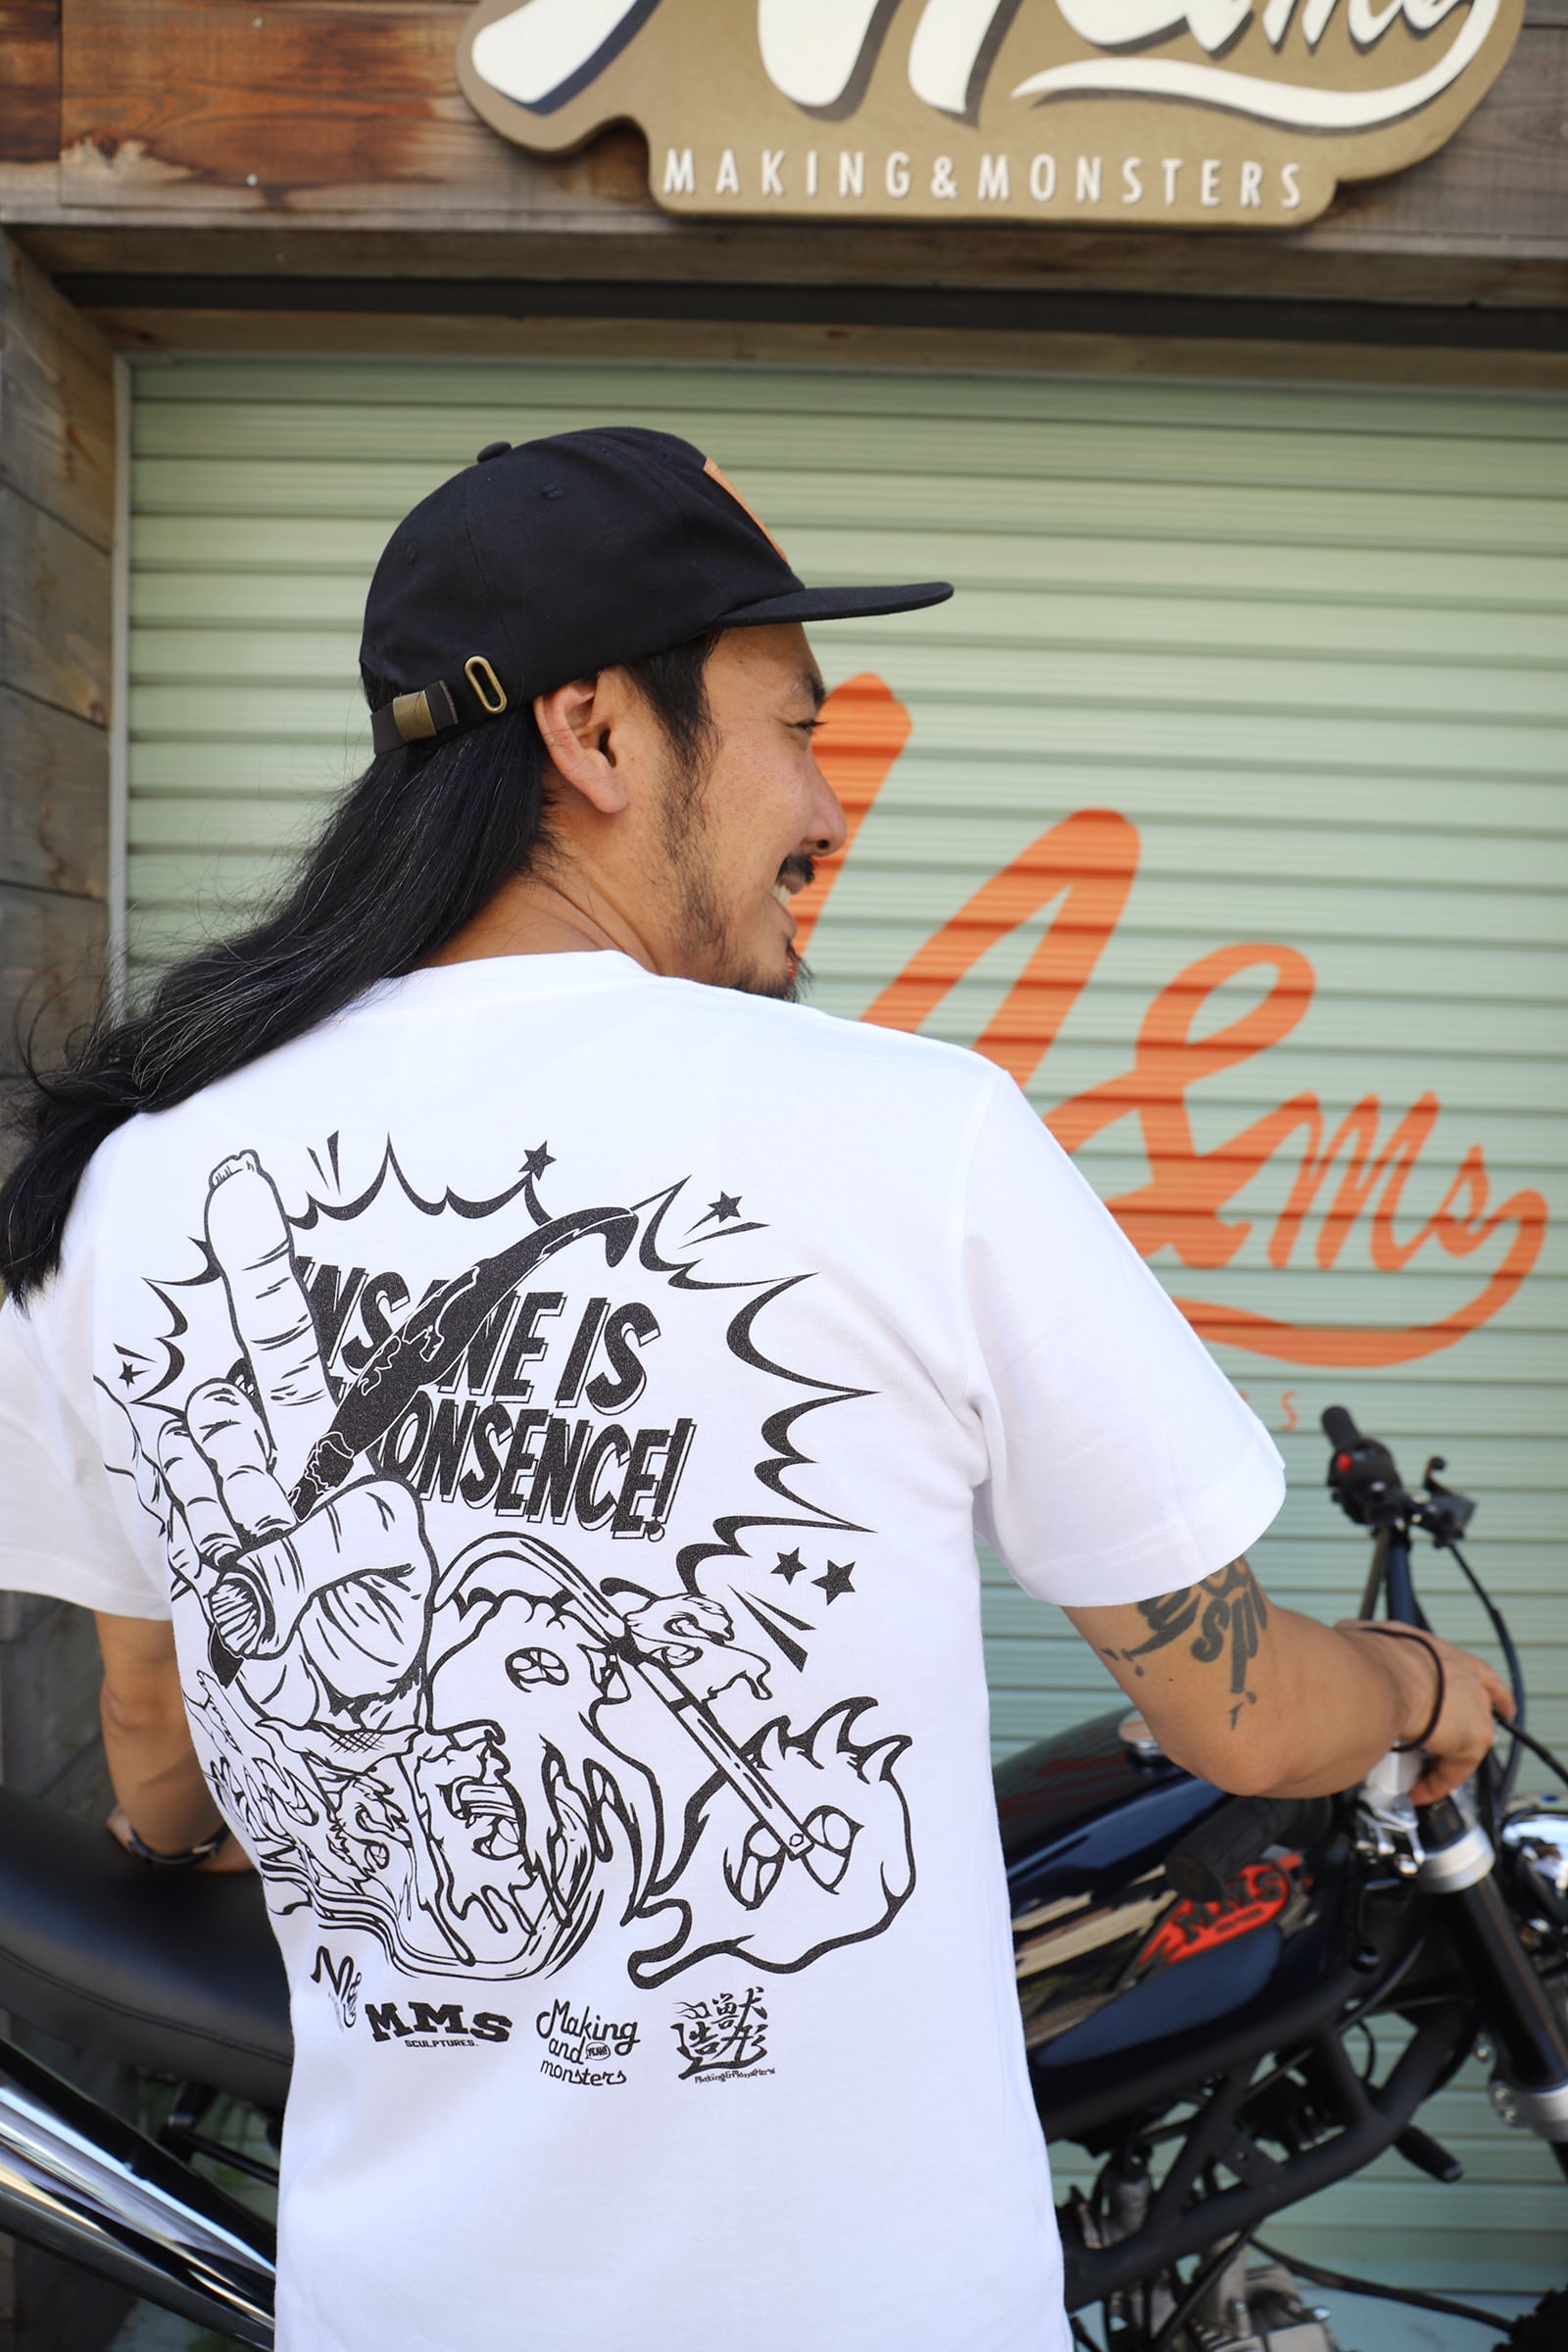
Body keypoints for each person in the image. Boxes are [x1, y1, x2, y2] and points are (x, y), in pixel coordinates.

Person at [0, 426, 1510, 2352]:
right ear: (595, 733)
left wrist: (244, 1824)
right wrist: (1419, 1687)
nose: (828, 801)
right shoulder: (915, 1136)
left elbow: (156, 1752)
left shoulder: (129, 1182)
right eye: (793, 726)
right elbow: (1239, 1716)